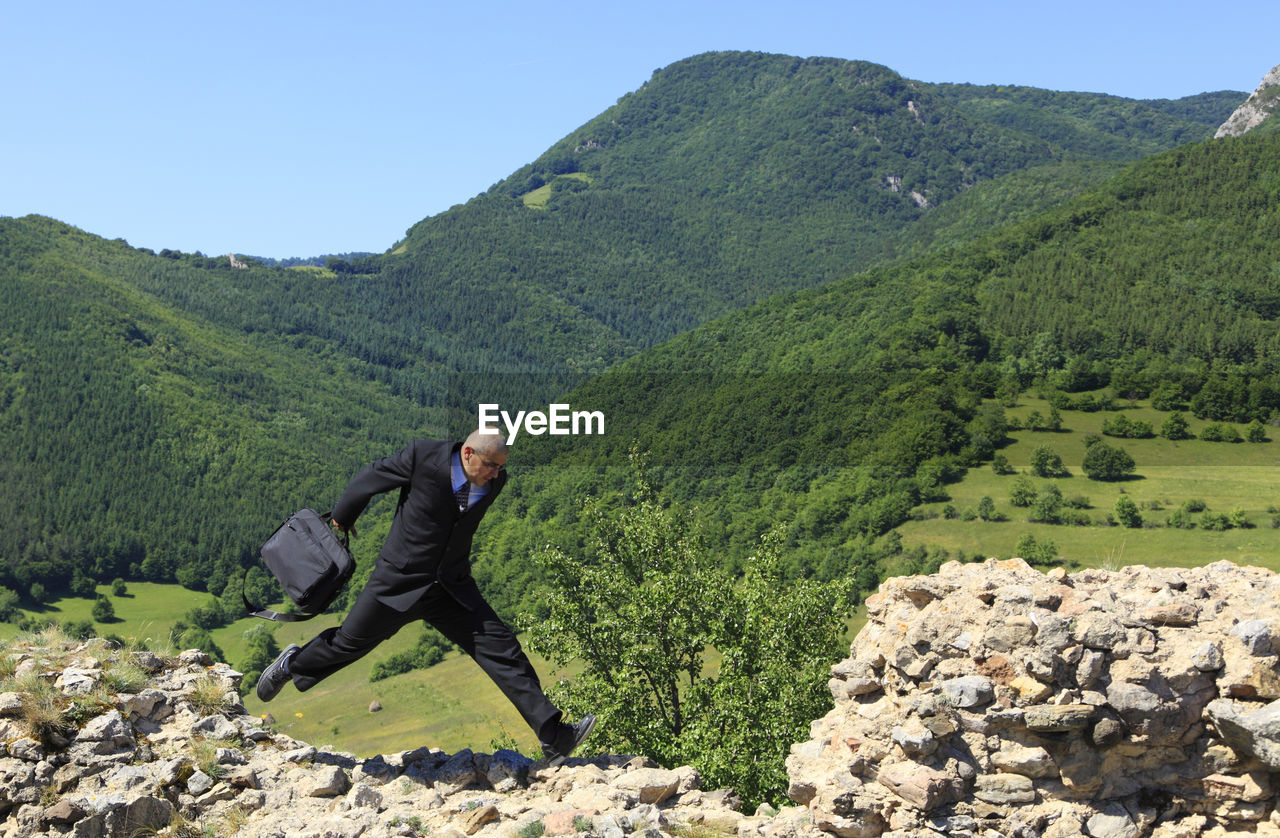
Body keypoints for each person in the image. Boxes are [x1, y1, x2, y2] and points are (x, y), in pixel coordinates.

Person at [255, 429, 595, 765]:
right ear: (467, 454)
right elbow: (370, 478)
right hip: (398, 582)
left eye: (500, 467)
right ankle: (292, 665)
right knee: (348, 644)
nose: (496, 474)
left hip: (451, 587)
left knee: (502, 648)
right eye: (491, 465)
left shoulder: (494, 480)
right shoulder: (423, 457)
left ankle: (554, 736)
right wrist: (343, 517)